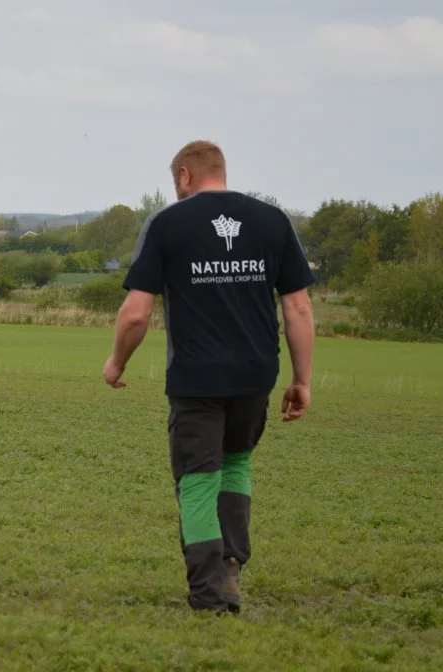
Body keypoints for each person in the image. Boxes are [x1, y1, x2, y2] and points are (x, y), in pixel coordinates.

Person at [102, 140, 316, 613]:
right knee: (236, 464)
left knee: (198, 480)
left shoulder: (167, 224)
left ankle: (211, 593)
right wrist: (302, 379)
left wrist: (116, 362)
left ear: (184, 174)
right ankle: (230, 565)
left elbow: (136, 314)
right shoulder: (272, 221)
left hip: (196, 378)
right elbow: (298, 306)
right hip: (255, 375)